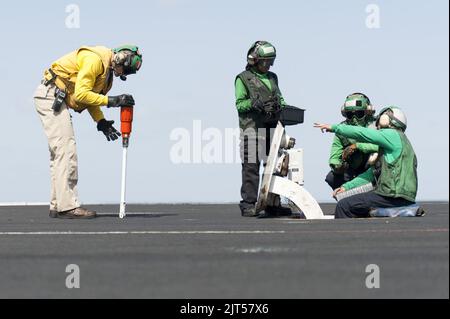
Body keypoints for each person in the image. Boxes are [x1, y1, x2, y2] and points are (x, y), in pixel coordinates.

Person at [34, 45, 142, 219]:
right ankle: (67, 207)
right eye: (125, 69)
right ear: (121, 58)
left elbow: (91, 97)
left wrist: (101, 121)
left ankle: (57, 204)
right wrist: (112, 101)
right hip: (51, 97)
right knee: (66, 150)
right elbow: (81, 95)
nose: (122, 73)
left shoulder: (107, 72)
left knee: (59, 153)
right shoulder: (94, 61)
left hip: (54, 97)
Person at [314, 106, 418, 219]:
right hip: (404, 197)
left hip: (391, 196)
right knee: (356, 206)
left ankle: (345, 236)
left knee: (343, 205)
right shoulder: (401, 142)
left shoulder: (392, 135)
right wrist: (346, 187)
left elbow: (362, 133)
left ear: (385, 120)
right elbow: (371, 174)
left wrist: (335, 128)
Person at [235, 41, 289, 217]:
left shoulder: (273, 77)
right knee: (251, 168)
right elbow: (239, 105)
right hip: (251, 130)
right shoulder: (242, 78)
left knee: (275, 167)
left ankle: (273, 204)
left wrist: (284, 108)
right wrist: (253, 103)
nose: (268, 65)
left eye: (270, 62)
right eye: (264, 62)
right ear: (254, 60)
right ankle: (248, 204)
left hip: (272, 129)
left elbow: (280, 98)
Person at [325, 93, 378, 190]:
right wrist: (339, 166)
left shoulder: (376, 126)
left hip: (373, 168)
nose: (354, 119)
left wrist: (356, 146)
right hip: (352, 169)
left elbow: (381, 147)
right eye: (350, 115)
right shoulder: (341, 131)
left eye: (359, 114)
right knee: (332, 178)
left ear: (367, 112)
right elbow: (334, 157)